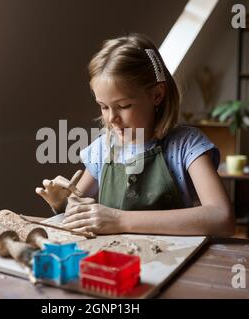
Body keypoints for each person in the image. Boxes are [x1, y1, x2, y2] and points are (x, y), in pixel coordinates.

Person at [35, 33, 234, 237]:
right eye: (103, 107)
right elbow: (75, 211)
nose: (112, 118)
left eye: (124, 106)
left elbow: (221, 218)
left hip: (173, 261)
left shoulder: (186, 145)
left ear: (157, 95)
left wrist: (119, 220)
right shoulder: (103, 148)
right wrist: (62, 203)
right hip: (115, 261)